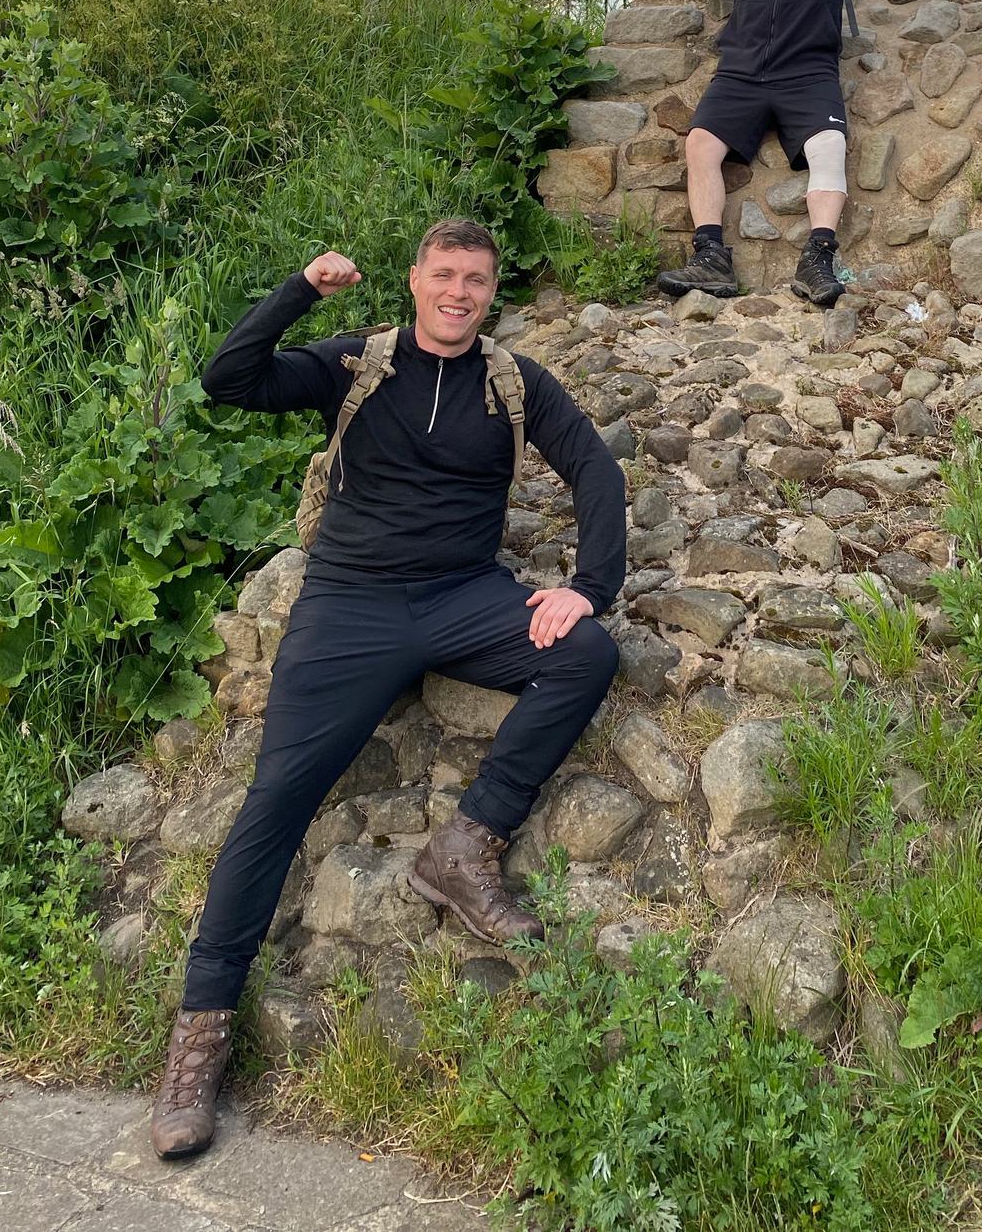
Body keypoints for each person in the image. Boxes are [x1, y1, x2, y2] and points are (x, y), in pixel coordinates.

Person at [149, 218, 625, 1161]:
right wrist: (300, 290)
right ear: (415, 280)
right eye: (444, 275)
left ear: (491, 292)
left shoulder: (513, 383)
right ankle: (199, 1033)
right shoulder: (354, 364)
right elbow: (228, 379)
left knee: (588, 653)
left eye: (476, 280)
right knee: (276, 800)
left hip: (462, 596)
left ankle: (465, 843)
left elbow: (598, 471)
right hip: (351, 604)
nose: (459, 293)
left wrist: (585, 585)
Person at [653, 0, 920, 305]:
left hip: (808, 73)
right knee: (700, 145)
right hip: (740, 73)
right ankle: (710, 258)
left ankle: (818, 258)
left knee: (829, 150)